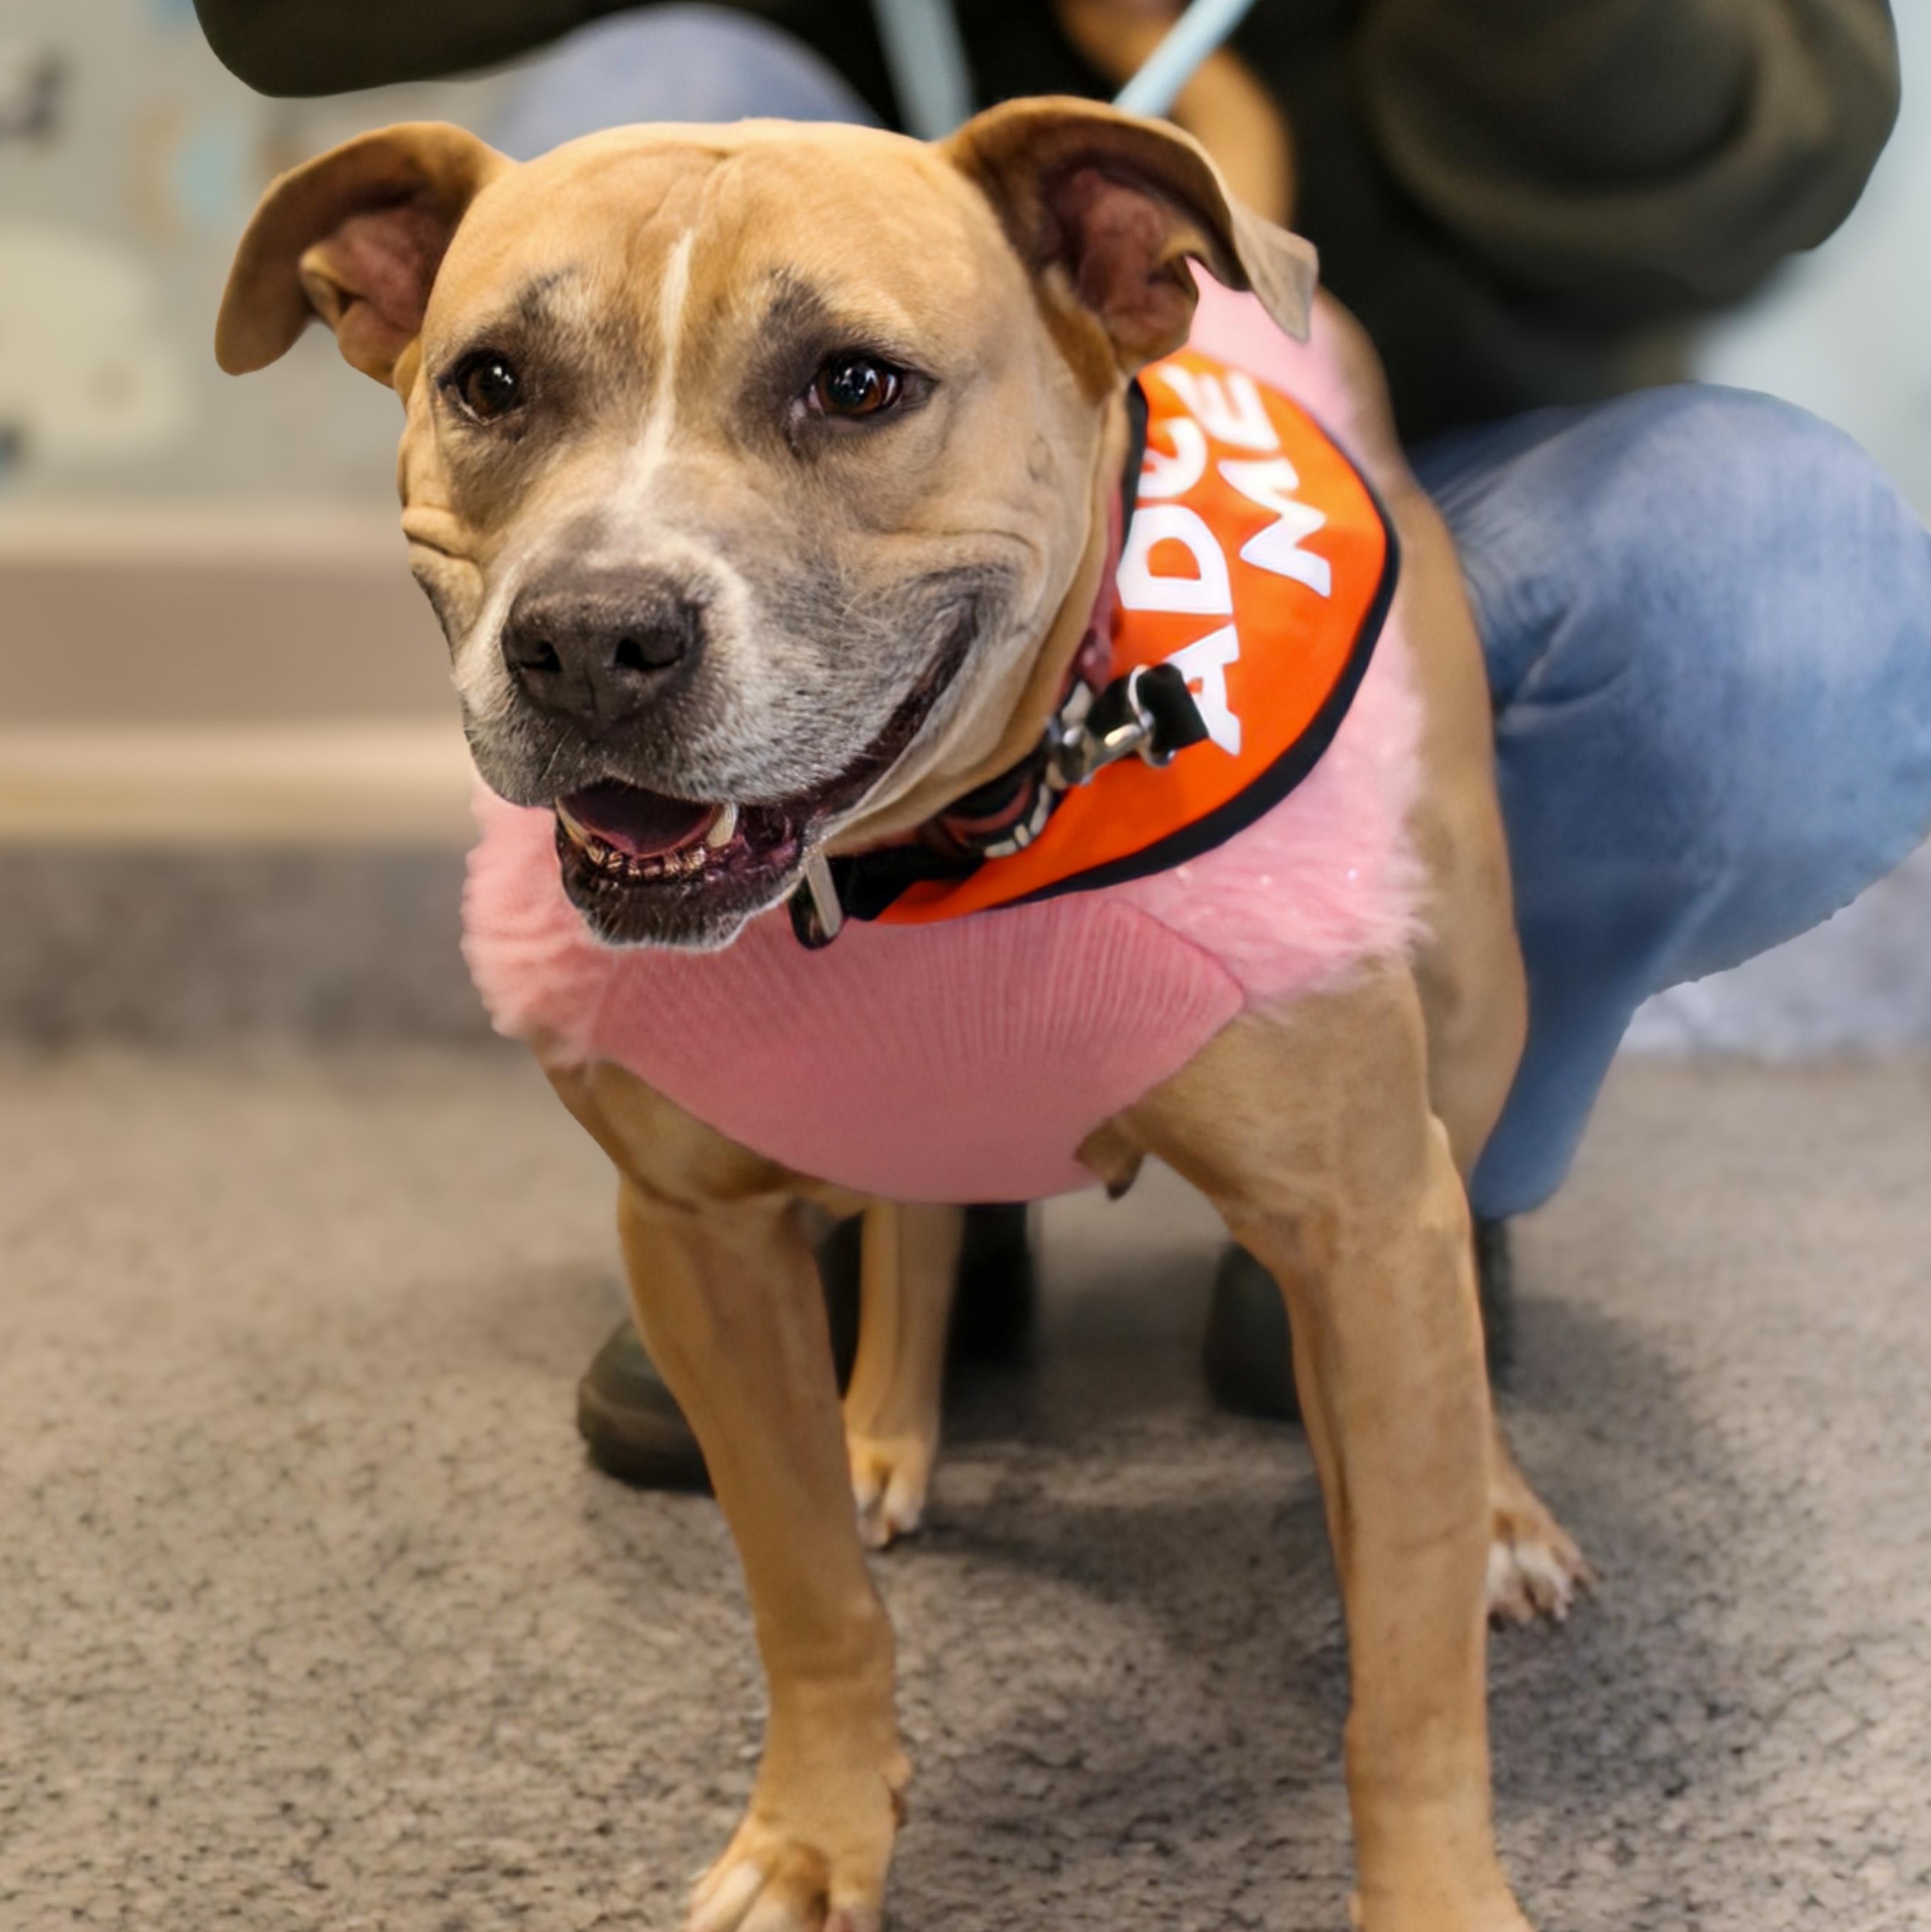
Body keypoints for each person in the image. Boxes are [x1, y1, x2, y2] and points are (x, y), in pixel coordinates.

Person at [197, 0, 1931, 1472]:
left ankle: (1394, 1147)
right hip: (852, 527)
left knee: (1779, 581)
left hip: (1450, 475)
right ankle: (805, 1138)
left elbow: (1764, 154)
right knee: (638, 76)